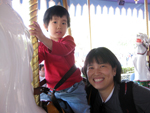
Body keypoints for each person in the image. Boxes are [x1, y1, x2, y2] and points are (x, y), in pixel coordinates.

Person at [29, 5, 90, 113]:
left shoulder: (68, 41)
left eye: (63, 22)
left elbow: (62, 50)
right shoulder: (42, 46)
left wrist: (42, 38)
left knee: (82, 111)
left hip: (72, 89)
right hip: (52, 90)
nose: (59, 26)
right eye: (55, 22)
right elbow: (34, 61)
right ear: (46, 26)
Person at [82, 47, 150, 113]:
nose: (96, 73)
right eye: (91, 68)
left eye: (102, 66)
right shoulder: (87, 96)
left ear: (114, 70)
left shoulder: (131, 92)